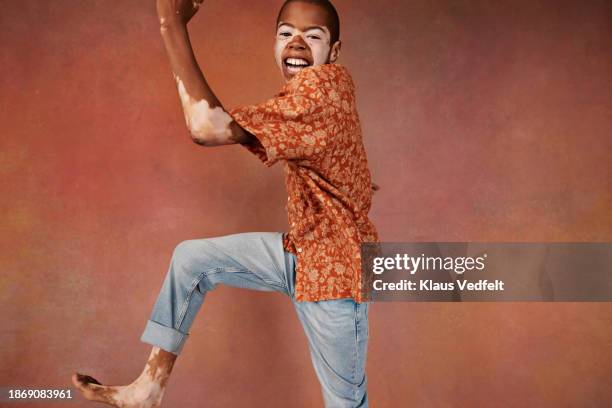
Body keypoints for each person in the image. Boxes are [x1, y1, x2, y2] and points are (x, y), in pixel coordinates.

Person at [72, 0, 379, 406]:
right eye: (286, 34)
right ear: (274, 44)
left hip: (336, 276)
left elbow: (205, 127)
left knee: (346, 403)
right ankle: (148, 389)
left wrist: (171, 25)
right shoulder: (321, 91)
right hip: (302, 253)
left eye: (314, 36)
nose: (298, 44)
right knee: (191, 260)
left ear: (334, 52)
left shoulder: (318, 92)